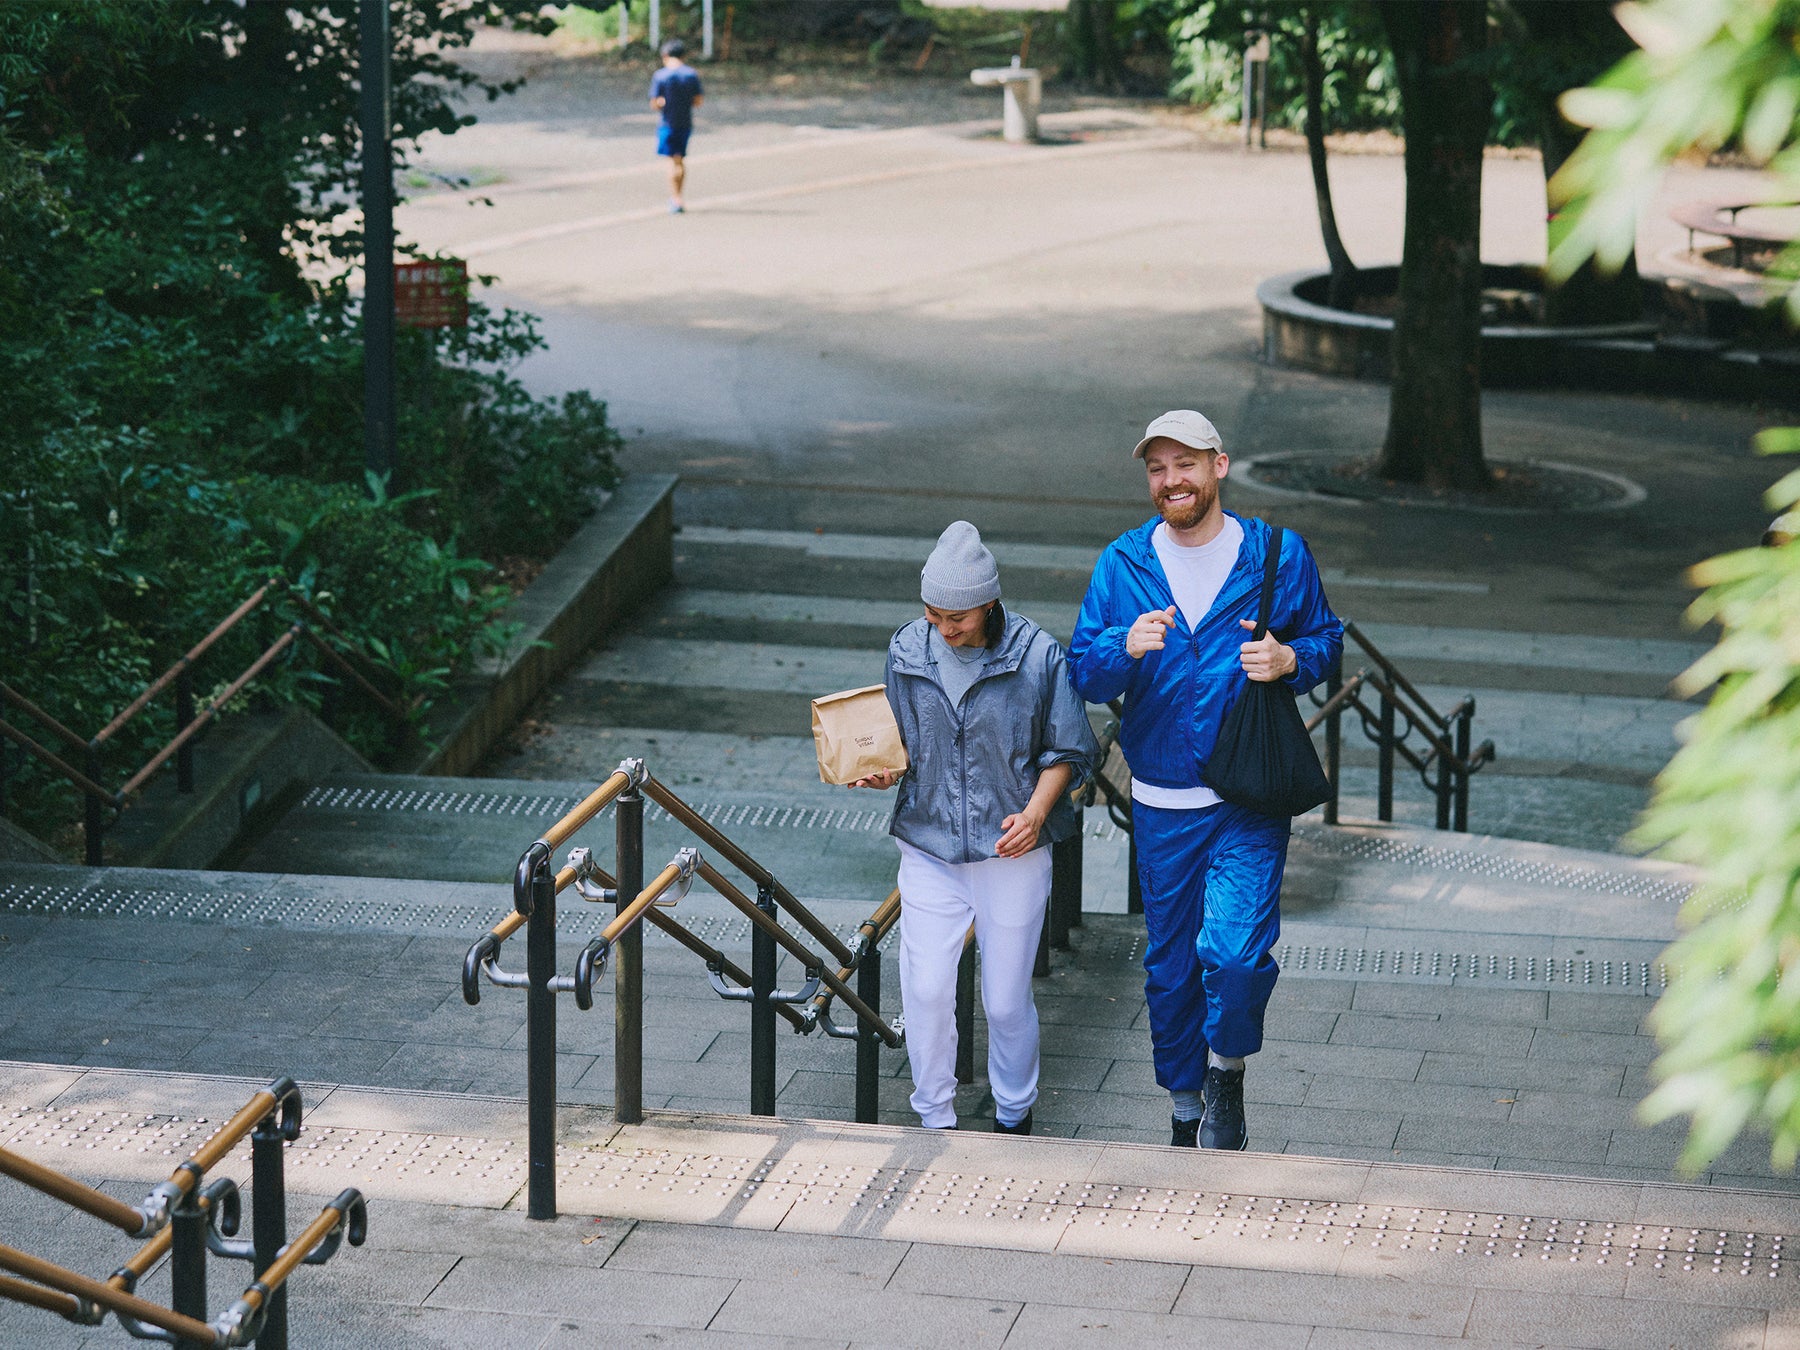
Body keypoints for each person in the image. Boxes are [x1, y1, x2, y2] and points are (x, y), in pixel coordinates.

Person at [1069, 410, 1343, 1151]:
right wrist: (1120, 648)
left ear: (1219, 466)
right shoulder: (1123, 564)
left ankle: (1227, 1071)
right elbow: (1083, 672)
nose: (1171, 481)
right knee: (1170, 967)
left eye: (1185, 464)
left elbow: (1325, 639)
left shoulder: (1277, 554)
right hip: (1161, 802)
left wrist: (1292, 661)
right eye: (1157, 468)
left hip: (1248, 797)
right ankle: (1186, 1109)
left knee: (1235, 953)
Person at [852, 521, 1097, 1135]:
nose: (943, 627)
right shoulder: (908, 648)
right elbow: (901, 742)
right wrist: (882, 772)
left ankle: (1014, 1110)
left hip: (1009, 851)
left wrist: (1037, 812)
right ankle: (934, 1113)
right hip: (928, 843)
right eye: (932, 613)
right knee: (927, 990)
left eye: (955, 616)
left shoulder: (1037, 655)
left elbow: (1068, 750)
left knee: (1006, 1000)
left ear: (988, 603)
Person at [649, 39, 703, 213]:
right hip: (685, 122)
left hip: (667, 123)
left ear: (665, 56)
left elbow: (655, 103)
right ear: (684, 56)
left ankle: (676, 199)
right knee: (680, 160)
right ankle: (679, 196)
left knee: (672, 162)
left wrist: (662, 103)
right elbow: (698, 100)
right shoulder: (691, 74)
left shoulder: (661, 76)